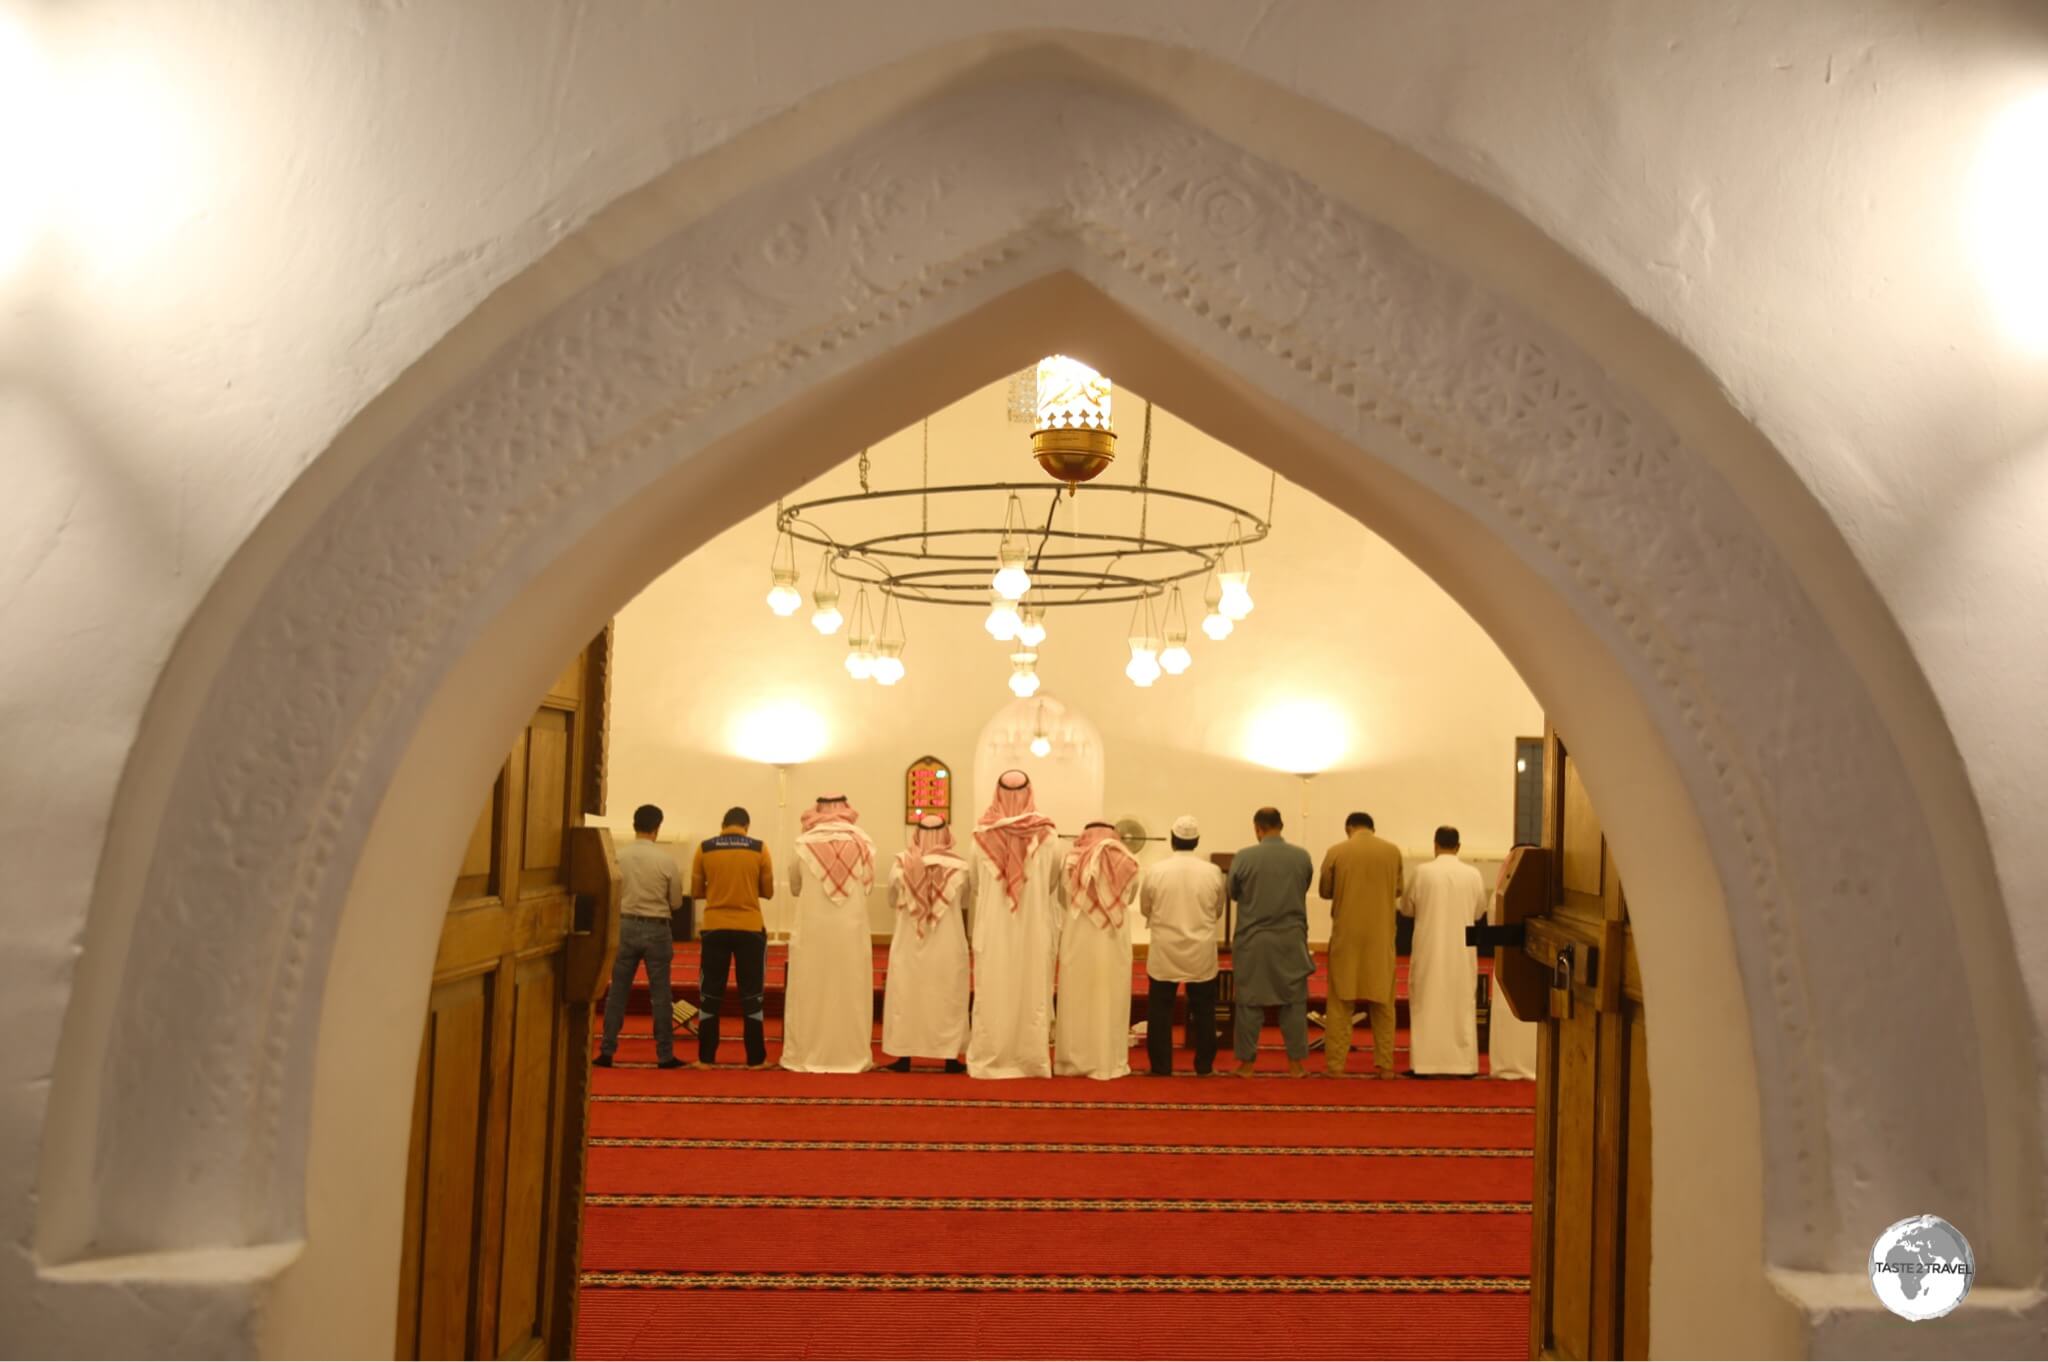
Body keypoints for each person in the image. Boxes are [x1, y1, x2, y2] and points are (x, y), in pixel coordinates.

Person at [964, 769, 1062, 1079]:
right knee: (1030, 985)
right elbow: (1052, 883)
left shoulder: (981, 837)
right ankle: (1029, 1059)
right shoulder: (1048, 836)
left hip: (995, 926)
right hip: (1032, 926)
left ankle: (992, 1057)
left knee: (994, 985)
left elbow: (976, 883)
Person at [781, 795, 877, 1073]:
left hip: (813, 931)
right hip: (851, 931)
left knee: (811, 987)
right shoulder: (864, 843)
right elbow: (868, 887)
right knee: (850, 988)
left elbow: (795, 886)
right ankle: (850, 1055)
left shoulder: (803, 844)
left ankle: (807, 1052)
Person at [595, 803, 689, 1069]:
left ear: (635, 824)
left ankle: (607, 1051)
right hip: (657, 929)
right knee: (660, 995)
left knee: (618, 993)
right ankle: (664, 1055)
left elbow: (610, 893)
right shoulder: (666, 861)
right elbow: (676, 902)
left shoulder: (619, 857)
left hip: (624, 926)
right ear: (657, 828)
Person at [1226, 807, 1315, 1078]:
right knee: (1294, 1003)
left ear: (1257, 828)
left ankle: (1246, 1065)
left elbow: (1233, 892)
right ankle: (1296, 1065)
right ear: (1282, 825)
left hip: (1255, 941)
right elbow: (1304, 886)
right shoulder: (1301, 857)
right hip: (1291, 939)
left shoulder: (1244, 857)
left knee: (1250, 1004)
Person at [1318, 811, 1404, 1079]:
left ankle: (1335, 1065)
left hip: (1346, 935)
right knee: (1383, 1002)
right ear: (1372, 828)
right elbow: (1398, 889)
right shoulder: (1393, 852)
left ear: (1349, 828)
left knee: (1340, 1002)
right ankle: (1386, 1065)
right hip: (1381, 935)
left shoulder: (1336, 851)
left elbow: (1324, 890)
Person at [883, 814, 972, 1072]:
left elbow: (890, 899)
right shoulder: (961, 867)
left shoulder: (900, 865)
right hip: (948, 942)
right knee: (947, 995)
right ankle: (950, 1057)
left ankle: (904, 1057)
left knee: (907, 993)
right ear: (946, 834)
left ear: (916, 834)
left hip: (909, 940)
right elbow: (965, 902)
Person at [1139, 814, 1226, 1077]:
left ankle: (1161, 1066)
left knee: (1160, 1011)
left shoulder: (1156, 871)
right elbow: (1217, 910)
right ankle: (1204, 1066)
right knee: (1204, 1011)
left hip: (1166, 950)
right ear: (1196, 841)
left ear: (1172, 840)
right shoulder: (1212, 872)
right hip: (1200, 950)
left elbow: (1146, 908)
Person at [1400, 825, 1490, 1076]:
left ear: (1435, 845)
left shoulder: (1422, 872)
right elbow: (1479, 911)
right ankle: (1464, 1065)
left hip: (1429, 947)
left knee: (1426, 1001)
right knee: (1461, 1001)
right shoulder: (1473, 874)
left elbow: (1406, 908)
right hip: (1462, 950)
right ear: (1458, 847)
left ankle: (1424, 1064)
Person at [690, 806, 775, 1068]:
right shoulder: (759, 848)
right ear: (746, 826)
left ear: (723, 824)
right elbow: (768, 891)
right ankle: (755, 1058)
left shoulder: (705, 848)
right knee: (752, 993)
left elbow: (695, 891)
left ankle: (706, 1058)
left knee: (710, 992)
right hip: (750, 927)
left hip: (715, 926)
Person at [1054, 822, 1140, 1079]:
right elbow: (1130, 898)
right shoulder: (1128, 860)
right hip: (1113, 937)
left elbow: (1062, 898)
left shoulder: (1070, 860)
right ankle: (1107, 1060)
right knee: (1110, 996)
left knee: (1076, 996)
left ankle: (1073, 1062)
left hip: (1078, 934)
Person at [1485, 846, 1539, 1080]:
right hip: (1529, 965)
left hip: (1511, 963)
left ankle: (1506, 1066)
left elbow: (1491, 925)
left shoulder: (1499, 892)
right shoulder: (1540, 890)